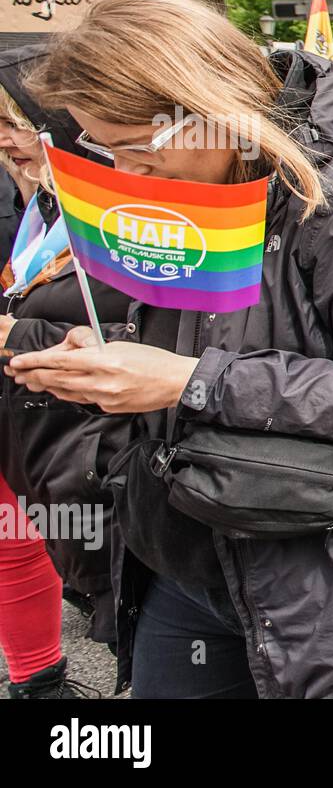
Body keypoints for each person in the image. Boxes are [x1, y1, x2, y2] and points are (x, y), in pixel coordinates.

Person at [9, 0, 333, 699]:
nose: (126, 173)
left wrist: (185, 381)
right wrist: (105, 352)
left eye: (140, 149)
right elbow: (193, 328)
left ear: (208, 106)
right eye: (104, 150)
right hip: (185, 562)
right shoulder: (173, 191)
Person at [0, 46, 132, 698]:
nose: (5, 143)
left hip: (96, 458)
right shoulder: (44, 206)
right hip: (34, 437)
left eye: (14, 125)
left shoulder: (116, 214)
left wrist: (18, 334)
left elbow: (132, 333)